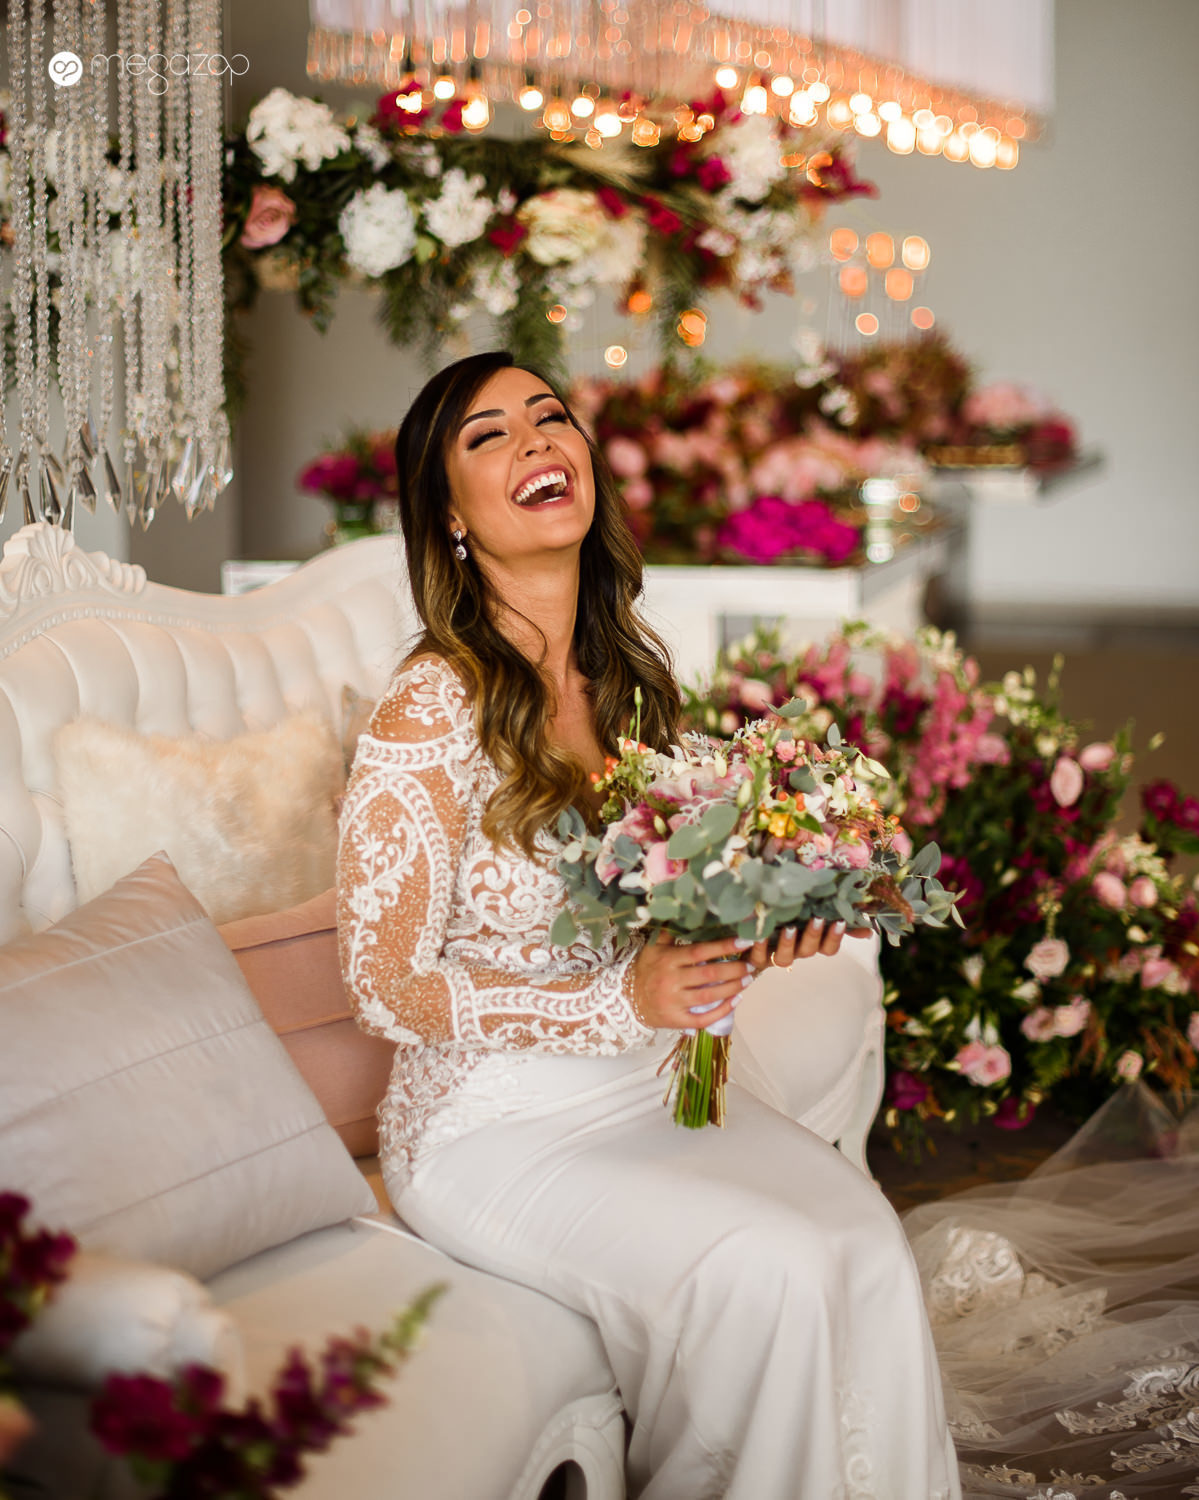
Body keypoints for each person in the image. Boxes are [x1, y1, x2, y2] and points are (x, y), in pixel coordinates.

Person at [336, 350, 961, 1499]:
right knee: (773, 1268)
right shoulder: (430, 704)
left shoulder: (625, 673)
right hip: (494, 1127)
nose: (536, 440)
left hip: (647, 1084)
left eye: (549, 417)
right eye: (488, 435)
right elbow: (384, 987)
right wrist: (617, 1000)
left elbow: (662, 902)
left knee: (866, 1240)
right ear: (449, 515)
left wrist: (769, 912)